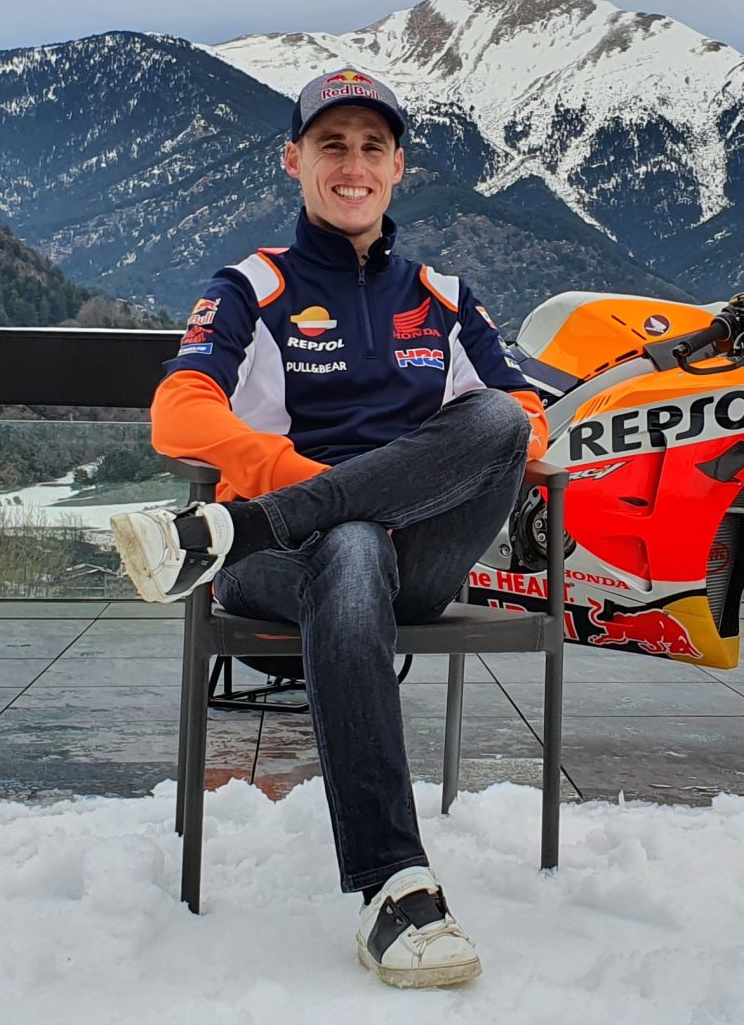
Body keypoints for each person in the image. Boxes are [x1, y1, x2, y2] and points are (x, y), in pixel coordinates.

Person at [109, 67, 548, 989]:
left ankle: (226, 530)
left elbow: (525, 423)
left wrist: (285, 506)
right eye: (332, 145)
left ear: (398, 167)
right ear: (294, 160)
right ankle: (395, 887)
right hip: (282, 564)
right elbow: (178, 414)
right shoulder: (252, 285)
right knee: (347, 542)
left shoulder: (444, 295)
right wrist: (311, 488)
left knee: (497, 421)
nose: (353, 165)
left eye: (372, 147)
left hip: (381, 552)